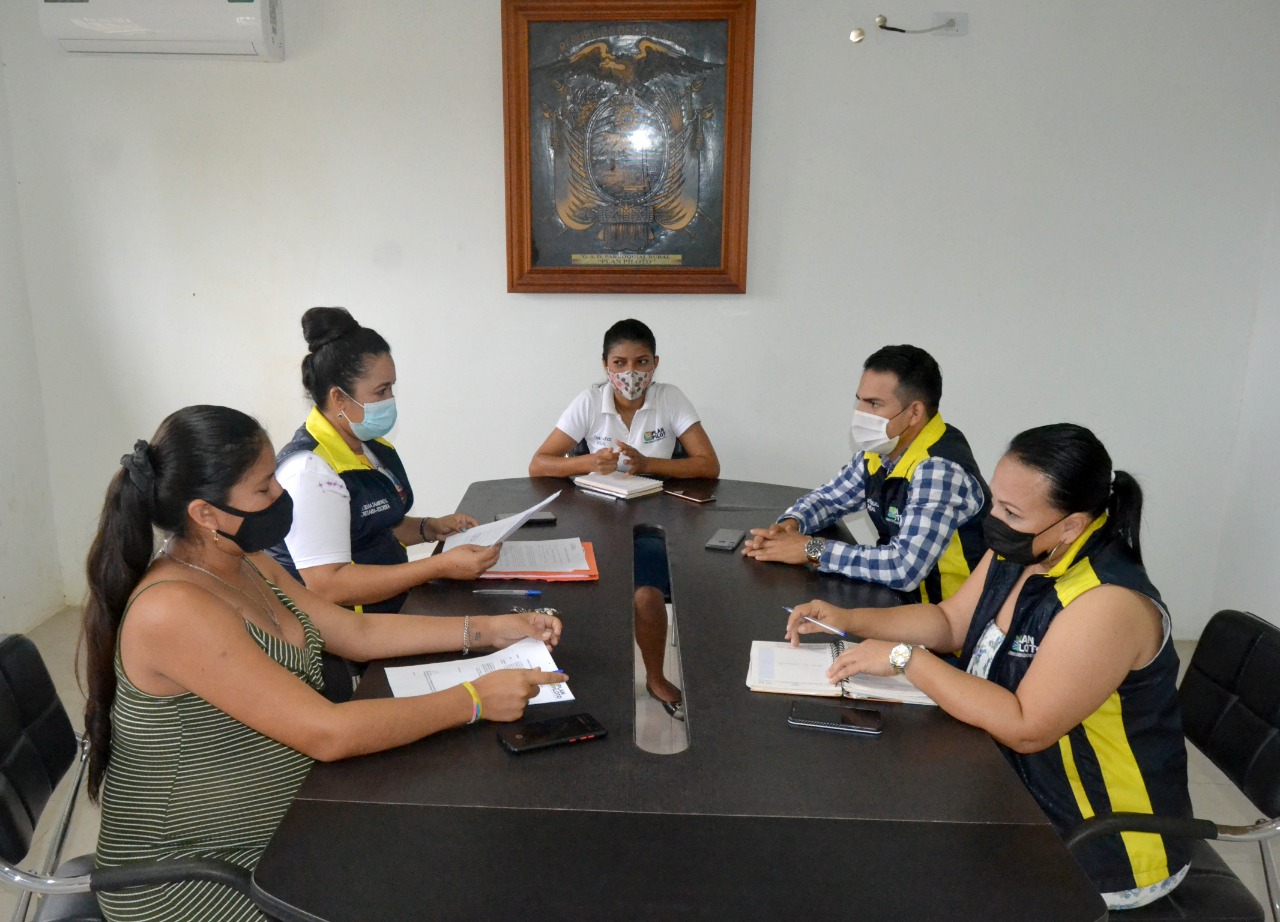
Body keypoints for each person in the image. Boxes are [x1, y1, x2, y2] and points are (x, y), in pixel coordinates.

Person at [83, 406, 564, 922]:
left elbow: (355, 634)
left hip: (291, 814)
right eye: (264, 488)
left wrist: (490, 629)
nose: (281, 496)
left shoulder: (245, 559)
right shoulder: (173, 609)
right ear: (206, 513)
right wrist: (473, 699)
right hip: (198, 872)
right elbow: (328, 733)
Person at [784, 424, 1191, 909]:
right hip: (1011, 788)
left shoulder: (1107, 604)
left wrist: (904, 658)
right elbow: (950, 622)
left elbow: (1026, 727)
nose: (992, 518)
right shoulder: (1025, 547)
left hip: (1097, 843)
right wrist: (848, 619)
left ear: (1071, 526)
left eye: (1011, 512)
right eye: (996, 501)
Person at [529, 319, 719, 719]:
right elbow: (539, 463)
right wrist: (586, 462)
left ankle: (655, 677)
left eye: (641, 362)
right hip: (595, 518)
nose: (631, 373)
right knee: (577, 586)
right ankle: (584, 679)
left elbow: (708, 464)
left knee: (646, 593)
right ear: (605, 365)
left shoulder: (670, 398)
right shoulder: (589, 401)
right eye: (620, 363)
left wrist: (649, 463)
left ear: (655, 364)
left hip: (654, 519)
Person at [269, 307, 498, 616]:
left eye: (391, 387)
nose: (390, 400)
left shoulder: (369, 447)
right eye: (381, 391)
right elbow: (328, 586)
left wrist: (429, 528)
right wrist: (438, 566)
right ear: (339, 398)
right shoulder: (310, 473)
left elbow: (372, 529)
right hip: (345, 632)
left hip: (388, 610)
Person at [744, 344, 988, 604]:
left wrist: (809, 549)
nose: (860, 413)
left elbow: (903, 568)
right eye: (859, 400)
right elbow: (829, 499)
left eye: (873, 404)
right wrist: (789, 525)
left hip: (949, 619)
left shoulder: (939, 470)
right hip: (900, 603)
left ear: (914, 412)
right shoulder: (882, 450)